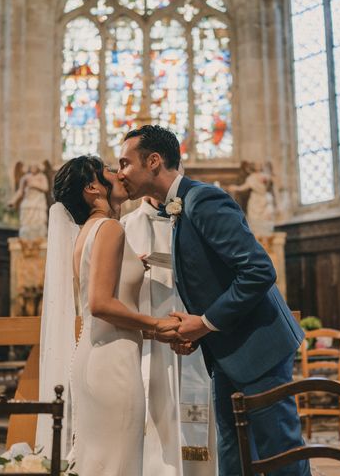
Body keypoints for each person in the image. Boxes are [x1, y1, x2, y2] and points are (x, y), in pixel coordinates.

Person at [117, 125, 310, 476]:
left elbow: (258, 271)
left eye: (125, 163)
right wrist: (200, 331)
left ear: (154, 161)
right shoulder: (178, 206)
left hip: (259, 348)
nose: (120, 173)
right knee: (233, 453)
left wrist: (204, 323)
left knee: (280, 455)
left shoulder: (203, 199)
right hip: (229, 349)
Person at [35, 155, 180, 476]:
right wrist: (158, 325)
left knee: (100, 463)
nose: (120, 175)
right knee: (120, 463)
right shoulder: (111, 227)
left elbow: (95, 298)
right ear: (92, 187)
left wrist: (131, 264)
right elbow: (100, 303)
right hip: (114, 362)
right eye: (111, 172)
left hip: (93, 355)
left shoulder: (86, 232)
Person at [122, 191, 217, 476]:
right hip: (148, 342)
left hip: (195, 338)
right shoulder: (125, 227)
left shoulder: (196, 224)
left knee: (196, 408)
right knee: (154, 413)